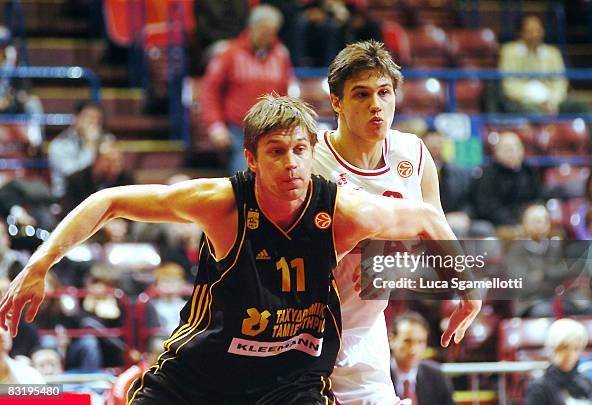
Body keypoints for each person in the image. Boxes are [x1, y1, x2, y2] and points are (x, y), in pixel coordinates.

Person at [0, 95, 473, 404]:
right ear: (250, 157)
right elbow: (110, 200)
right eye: (276, 151)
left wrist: (468, 289)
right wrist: (42, 263)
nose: (292, 163)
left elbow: (429, 217)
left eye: (300, 150)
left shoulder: (343, 211)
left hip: (292, 376)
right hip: (205, 371)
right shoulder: (222, 202)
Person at [312, 40, 481, 404]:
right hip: (302, 325)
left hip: (365, 327)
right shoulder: (311, 159)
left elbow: (432, 234)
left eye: (384, 92)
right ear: (336, 101)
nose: (376, 105)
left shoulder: (414, 154)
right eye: (361, 94)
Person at [201, 4, 294, 175]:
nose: (268, 37)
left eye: (272, 32)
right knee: (244, 179)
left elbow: (285, 94)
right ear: (252, 28)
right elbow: (210, 91)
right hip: (238, 130)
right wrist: (215, 125)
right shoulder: (229, 53)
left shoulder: (281, 54)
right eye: (263, 31)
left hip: (270, 129)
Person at [498, 14, 592, 146]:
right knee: (532, 111)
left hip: (553, 102)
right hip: (524, 102)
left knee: (583, 105)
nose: (534, 34)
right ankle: (547, 147)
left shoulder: (553, 53)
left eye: (537, 30)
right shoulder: (509, 51)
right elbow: (509, 85)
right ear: (521, 33)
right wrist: (537, 99)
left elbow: (561, 82)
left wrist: (553, 101)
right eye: (529, 31)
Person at [474, 131, 541, 227]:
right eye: (507, 149)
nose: (512, 152)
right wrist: (511, 222)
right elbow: (487, 206)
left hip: (526, 220)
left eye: (516, 148)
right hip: (498, 223)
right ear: (496, 152)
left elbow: (537, 196)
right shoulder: (488, 174)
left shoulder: (529, 171)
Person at [48, 100, 114, 197]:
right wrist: (90, 146)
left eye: (98, 119)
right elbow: (74, 178)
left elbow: (113, 172)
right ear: (76, 118)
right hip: (68, 198)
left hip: (98, 198)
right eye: (89, 118)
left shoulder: (106, 139)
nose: (94, 123)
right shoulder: (60, 144)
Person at [524, 318, 592, 405]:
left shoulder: (585, 382)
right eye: (565, 348)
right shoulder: (539, 387)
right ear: (553, 348)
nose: (570, 354)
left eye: (576, 348)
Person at [390, 311, 455, 405]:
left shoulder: (436, 376)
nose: (414, 350)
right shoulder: (376, 374)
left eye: (420, 342)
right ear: (391, 340)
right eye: (407, 341)